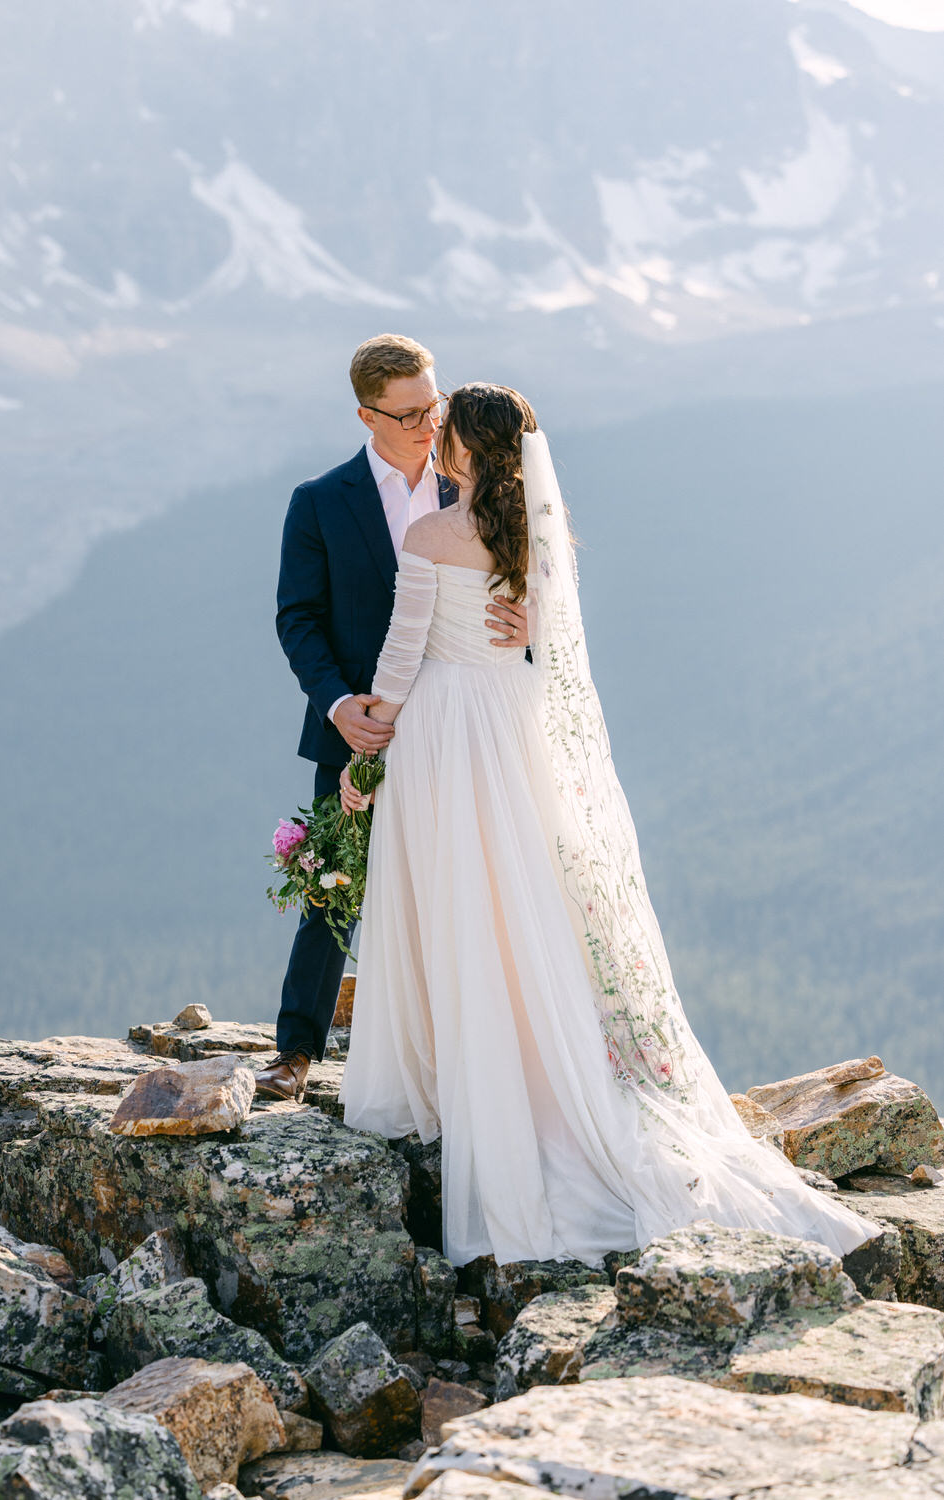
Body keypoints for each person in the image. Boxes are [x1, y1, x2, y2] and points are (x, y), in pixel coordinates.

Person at [338, 382, 877, 1269]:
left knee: (458, 897)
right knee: (524, 900)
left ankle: (465, 1085)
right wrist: (519, 626)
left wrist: (367, 751)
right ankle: (536, 1067)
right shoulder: (531, 537)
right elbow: (546, 640)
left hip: (446, 732)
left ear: (462, 451)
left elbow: (401, 654)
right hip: (512, 727)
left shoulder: (432, 533)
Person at [259, 338, 531, 1102]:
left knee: (468, 880)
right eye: (408, 413)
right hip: (361, 727)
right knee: (334, 885)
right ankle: (295, 1052)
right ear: (365, 413)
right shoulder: (318, 500)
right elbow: (297, 620)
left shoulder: (472, 489)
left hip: (464, 722)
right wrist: (343, 708)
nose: (426, 424)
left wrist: (530, 619)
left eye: (432, 407)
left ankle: (462, 1055)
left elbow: (530, 577)